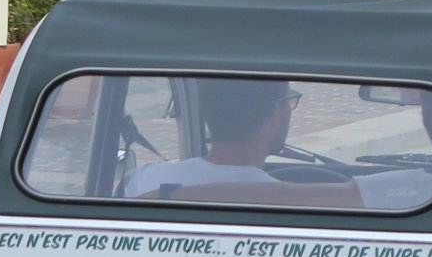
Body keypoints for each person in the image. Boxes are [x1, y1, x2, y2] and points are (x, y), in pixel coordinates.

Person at [120, 78, 299, 198]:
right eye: (290, 102)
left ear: (205, 114)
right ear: (275, 116)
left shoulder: (141, 182)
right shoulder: (293, 204)